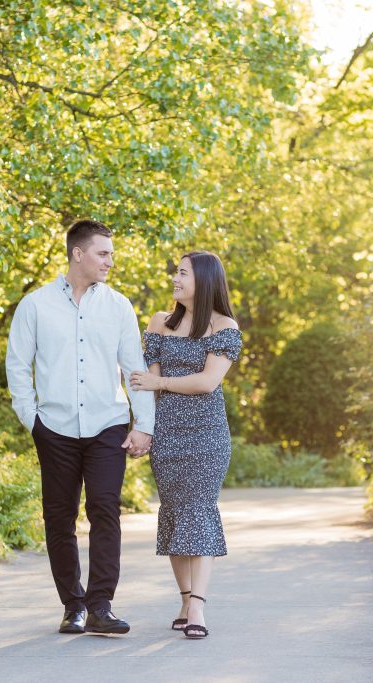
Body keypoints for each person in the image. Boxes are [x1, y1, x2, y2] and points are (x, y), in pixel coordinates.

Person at [5, 219, 154, 636]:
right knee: (59, 517)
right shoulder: (35, 305)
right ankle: (73, 605)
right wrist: (31, 420)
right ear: (78, 254)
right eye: (103, 253)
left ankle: (101, 606)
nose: (110, 260)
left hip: (107, 422)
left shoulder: (119, 306)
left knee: (105, 509)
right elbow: (18, 367)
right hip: (54, 427)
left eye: (110, 253)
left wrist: (145, 424)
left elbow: (134, 368)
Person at [129, 251, 242, 640]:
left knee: (199, 510)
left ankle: (198, 606)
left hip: (208, 436)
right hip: (168, 435)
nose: (175, 279)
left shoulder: (224, 327)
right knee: (175, 514)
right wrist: (143, 426)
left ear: (205, 280)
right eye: (175, 272)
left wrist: (159, 384)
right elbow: (146, 379)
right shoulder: (161, 322)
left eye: (182, 273)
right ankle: (184, 597)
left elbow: (208, 382)